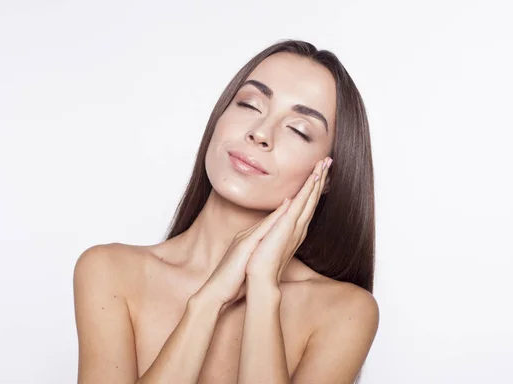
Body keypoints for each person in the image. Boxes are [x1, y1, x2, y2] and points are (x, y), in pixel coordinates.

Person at [73, 39, 379, 384]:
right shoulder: (110, 272)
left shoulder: (344, 312)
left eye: (298, 129)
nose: (260, 133)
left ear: (327, 178)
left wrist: (264, 286)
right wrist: (208, 302)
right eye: (250, 104)